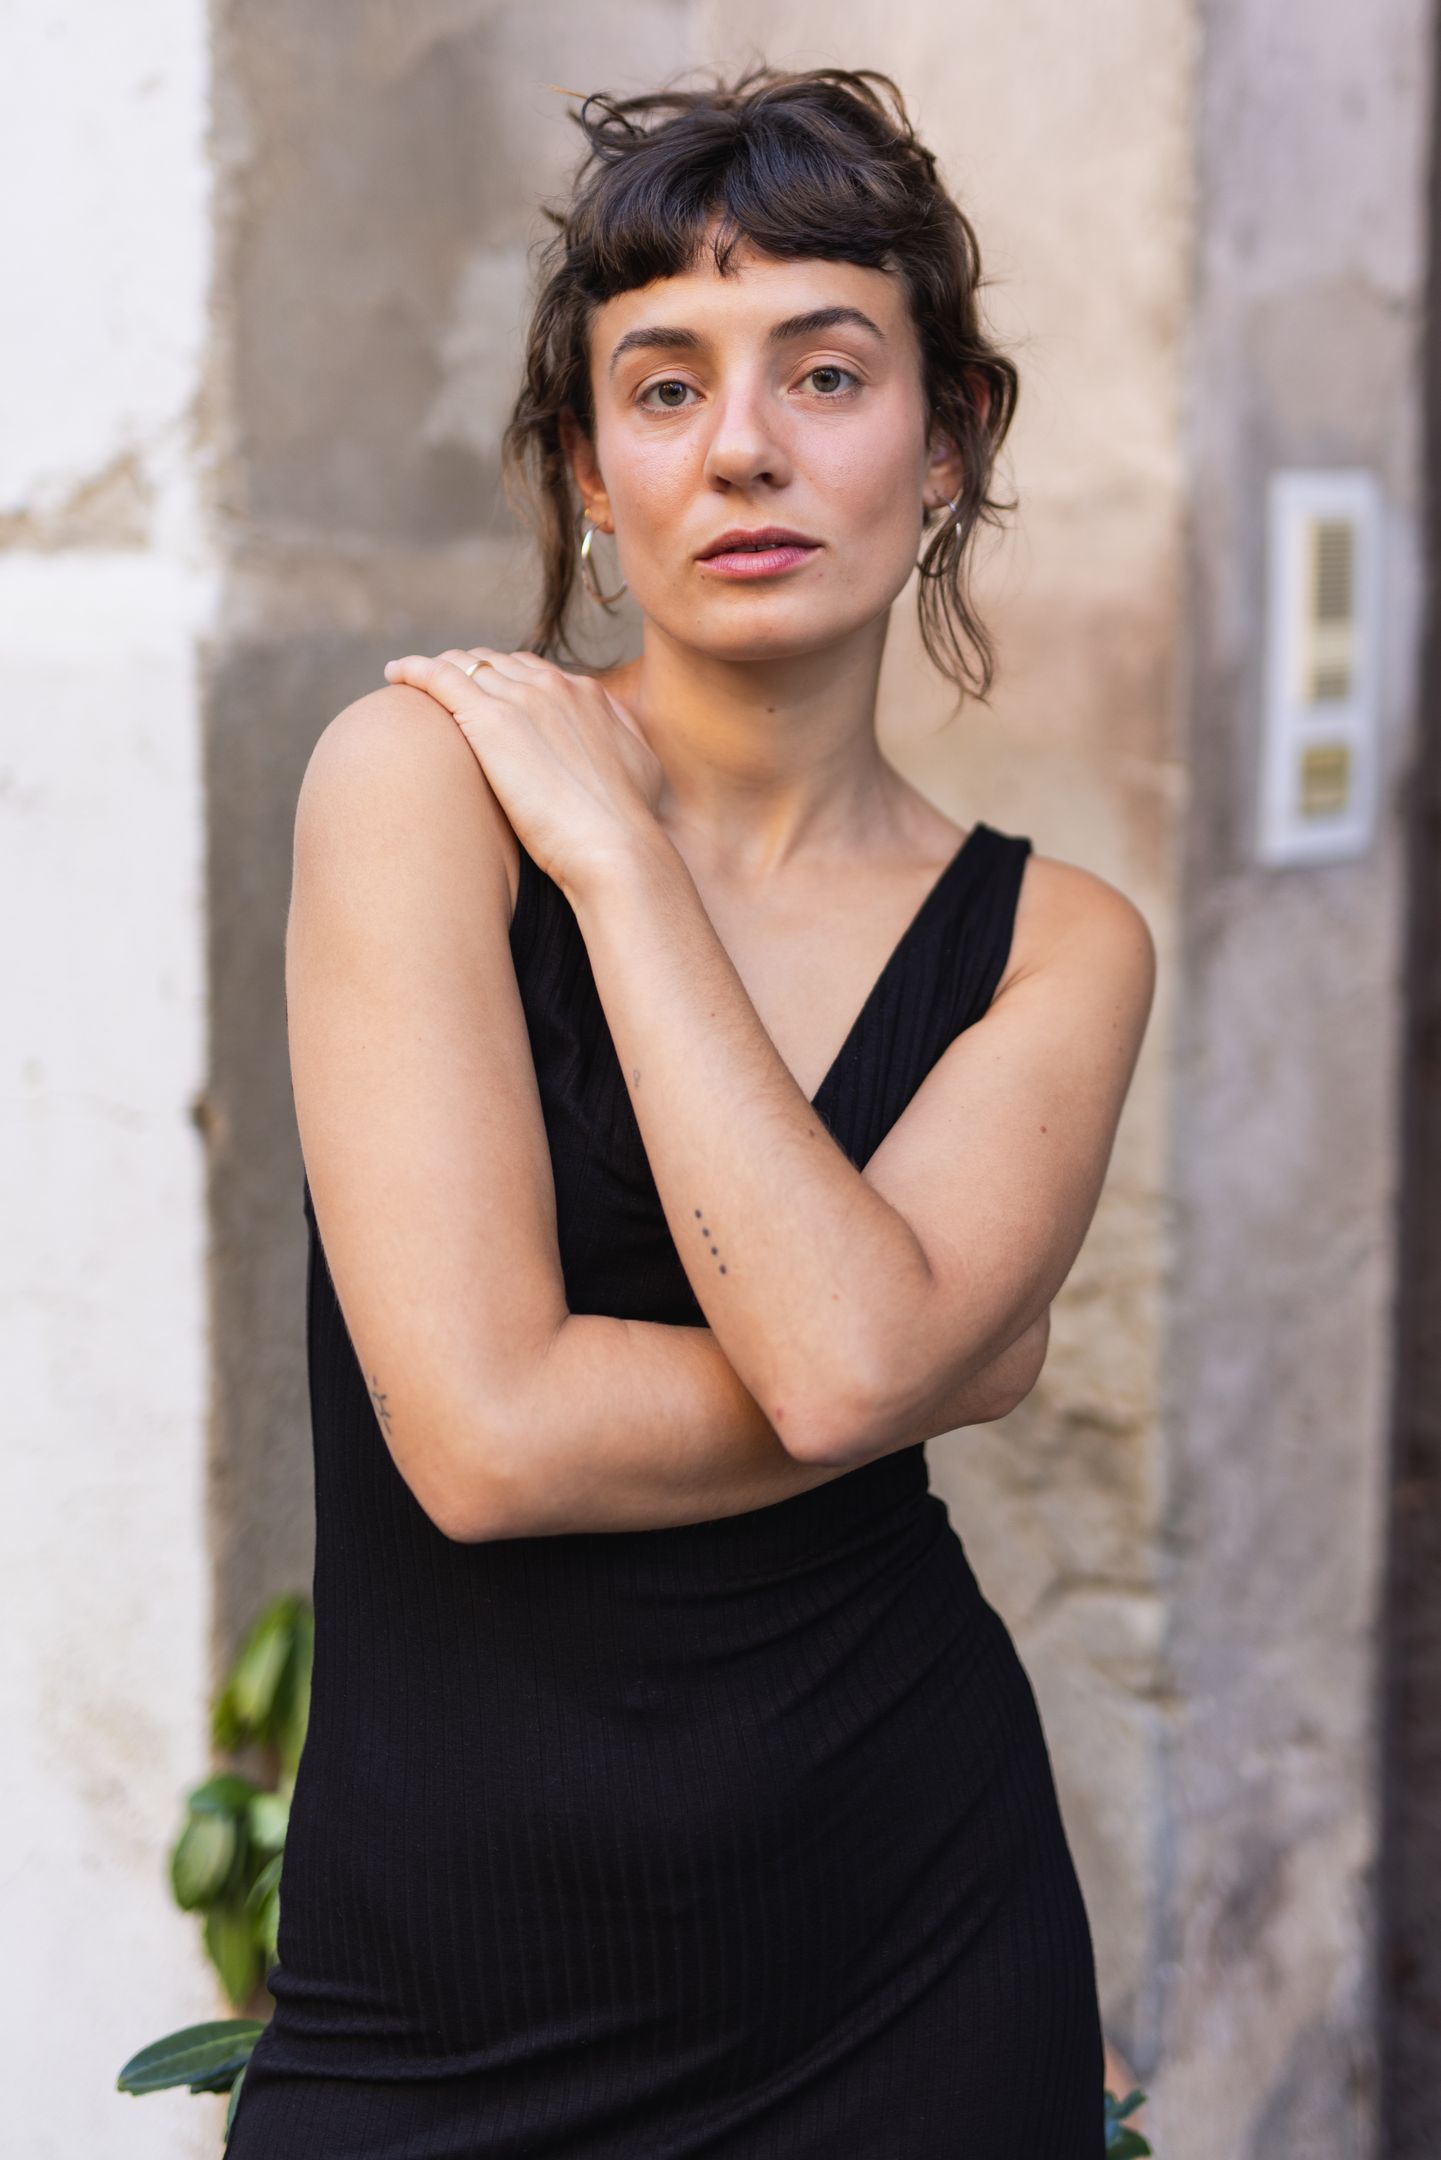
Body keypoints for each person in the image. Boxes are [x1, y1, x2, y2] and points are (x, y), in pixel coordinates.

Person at [228, 63, 1155, 2160]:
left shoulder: (1058, 945)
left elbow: (840, 1372)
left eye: (826, 372)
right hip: (434, 2019)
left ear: (947, 441)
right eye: (663, 387)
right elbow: (484, 1440)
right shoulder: (425, 785)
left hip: (910, 1965)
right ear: (586, 468)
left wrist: (624, 867)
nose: (743, 445)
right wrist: (933, 1346)